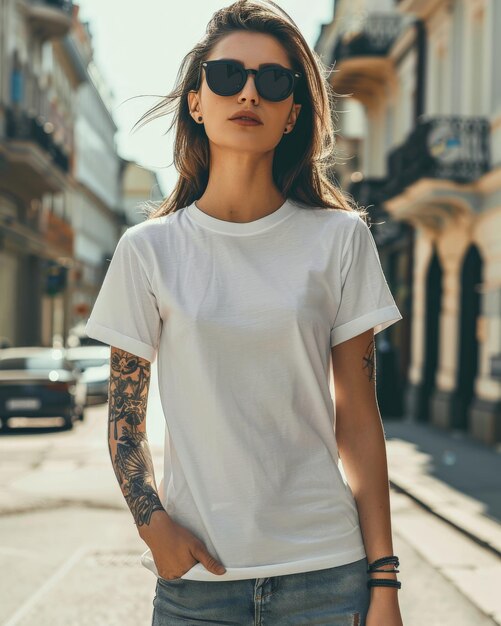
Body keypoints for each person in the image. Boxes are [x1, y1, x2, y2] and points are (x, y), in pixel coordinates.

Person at [85, 1, 404, 624]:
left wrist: (384, 578)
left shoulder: (339, 239)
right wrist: (153, 527)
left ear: (293, 114)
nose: (249, 92)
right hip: (199, 582)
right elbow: (125, 419)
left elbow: (360, 421)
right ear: (196, 101)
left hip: (326, 576)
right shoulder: (148, 250)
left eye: (274, 80)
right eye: (228, 75)